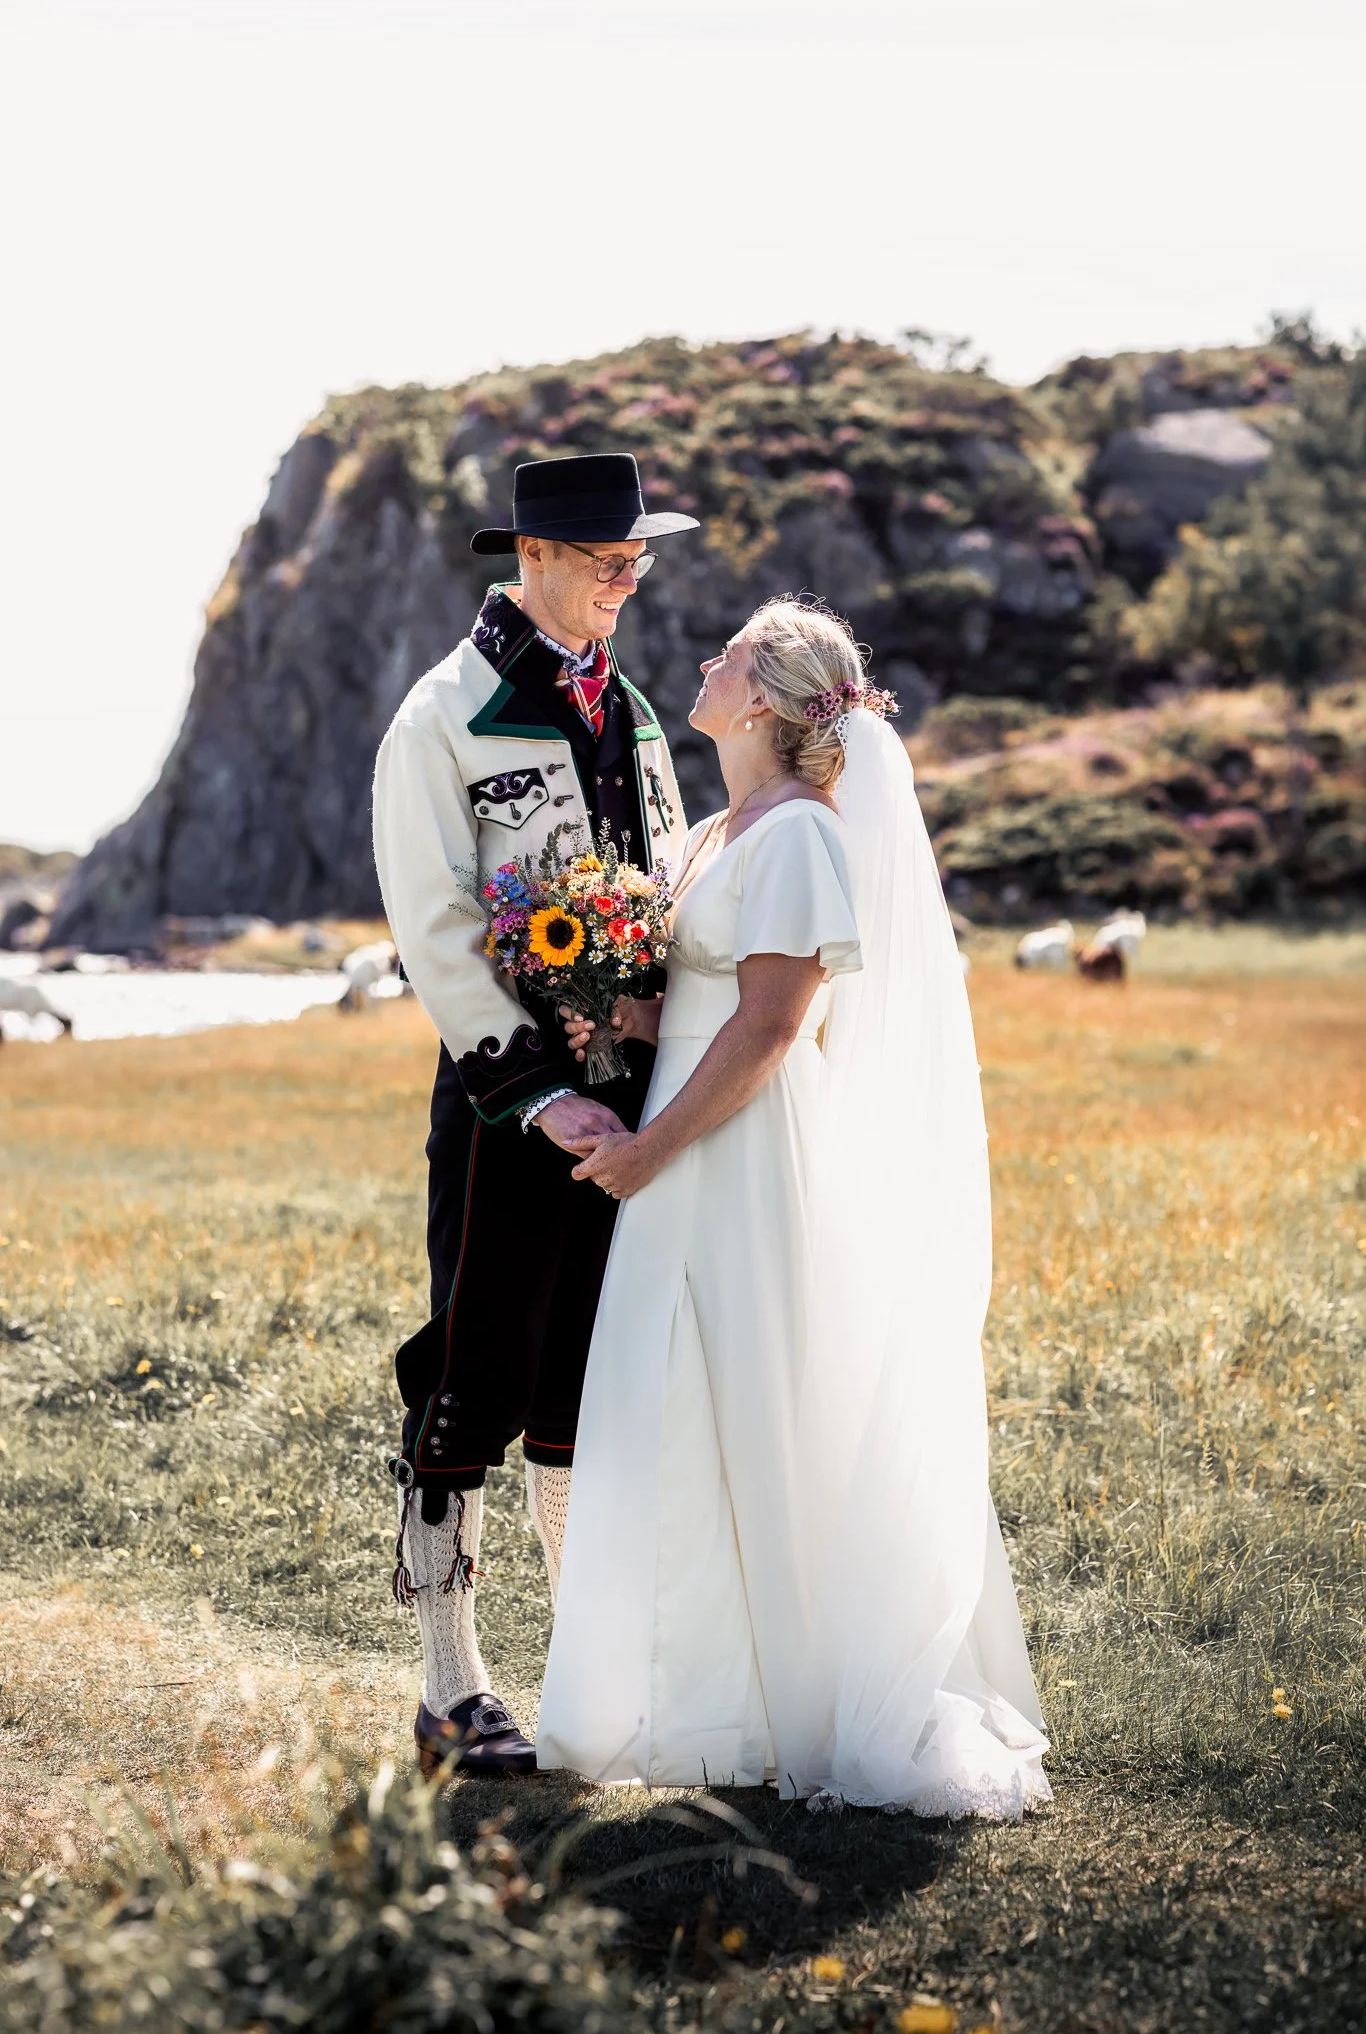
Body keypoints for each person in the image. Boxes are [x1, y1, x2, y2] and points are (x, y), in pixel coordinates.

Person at [537, 597, 1051, 1818]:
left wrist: (653, 1144)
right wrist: (616, 1015)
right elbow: (710, 1000)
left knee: (759, 1402)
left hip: (741, 1151)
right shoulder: (722, 830)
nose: (704, 663)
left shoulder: (802, 838)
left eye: (727, 655)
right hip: (686, 1137)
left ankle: (800, 1703)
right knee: (674, 1409)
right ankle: (708, 1701)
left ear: (761, 698)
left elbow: (775, 1025)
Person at [371, 453, 695, 1777]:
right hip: (511, 1106)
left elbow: (666, 885)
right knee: (476, 1375)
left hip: (635, 1104)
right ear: (533, 558)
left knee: (590, 1383)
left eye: (638, 556)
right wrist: (539, 1088)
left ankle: (587, 1677)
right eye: (609, 556)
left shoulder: (637, 711)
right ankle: (451, 1696)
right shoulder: (443, 717)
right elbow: (435, 927)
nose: (631, 575)